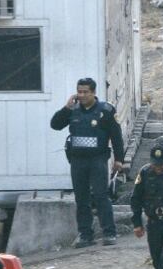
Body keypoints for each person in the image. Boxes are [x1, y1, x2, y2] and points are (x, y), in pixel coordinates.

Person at [50, 77, 125, 248]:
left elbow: (116, 136)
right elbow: (55, 125)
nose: (82, 95)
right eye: (79, 92)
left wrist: (119, 160)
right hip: (77, 161)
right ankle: (85, 234)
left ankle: (109, 232)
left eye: (85, 92)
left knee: (101, 196)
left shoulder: (105, 110)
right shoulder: (73, 110)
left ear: (93, 93)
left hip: (97, 159)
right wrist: (66, 108)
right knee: (81, 199)